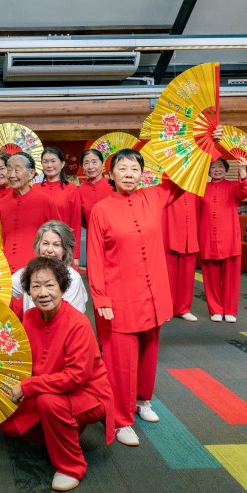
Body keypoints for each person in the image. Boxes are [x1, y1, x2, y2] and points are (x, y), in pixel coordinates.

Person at [86, 147, 179, 447]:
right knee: (120, 361)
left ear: (143, 173)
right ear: (110, 174)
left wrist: (206, 143)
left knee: (149, 352)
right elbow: (96, 259)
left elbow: (181, 178)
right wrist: (101, 299)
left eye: (134, 169)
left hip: (153, 295)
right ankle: (121, 419)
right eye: (122, 168)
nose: (128, 174)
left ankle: (142, 401)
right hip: (119, 297)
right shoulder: (101, 209)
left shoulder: (154, 197)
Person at [1, 256, 116, 492]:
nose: (43, 292)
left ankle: (71, 466)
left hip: (88, 394)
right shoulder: (31, 317)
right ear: (28, 292)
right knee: (10, 426)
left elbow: (75, 377)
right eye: (36, 286)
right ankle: (60, 434)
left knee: (48, 403)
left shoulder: (78, 324)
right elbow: (17, 355)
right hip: (52, 386)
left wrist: (28, 387)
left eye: (50, 285)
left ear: (62, 287)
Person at [198, 157, 247, 321]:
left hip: (229, 237)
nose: (217, 169)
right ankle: (215, 309)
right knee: (210, 275)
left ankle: (229, 310)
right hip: (208, 236)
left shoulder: (233, 186)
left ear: (226, 169)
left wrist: (242, 170)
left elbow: (246, 192)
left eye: (220, 166)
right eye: (213, 167)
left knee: (231, 276)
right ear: (208, 171)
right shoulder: (201, 189)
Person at [9, 221, 88, 316]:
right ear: (39, 246)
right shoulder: (27, 272)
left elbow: (74, 318)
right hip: (30, 328)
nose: (49, 250)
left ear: (65, 250)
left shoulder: (73, 278)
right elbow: (3, 289)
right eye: (45, 243)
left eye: (56, 245)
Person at [0, 152, 56, 271]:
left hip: (37, 267)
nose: (12, 175)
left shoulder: (45, 201)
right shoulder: (0, 205)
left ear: (31, 173)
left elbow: (59, 237)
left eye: (17, 170)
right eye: (9, 170)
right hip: (4, 268)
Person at [164, 181, 202, 323]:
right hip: (169, 231)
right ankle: (167, 308)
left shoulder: (195, 183)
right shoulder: (165, 184)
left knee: (187, 274)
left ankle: (183, 309)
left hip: (189, 232)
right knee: (168, 273)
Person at [36, 146, 82, 261]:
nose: (49, 165)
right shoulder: (34, 189)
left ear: (62, 164)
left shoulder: (71, 189)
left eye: (53, 161)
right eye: (45, 161)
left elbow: (75, 222)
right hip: (39, 245)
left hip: (61, 246)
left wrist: (75, 255)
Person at [77, 148, 110, 268]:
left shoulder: (113, 185)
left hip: (114, 238)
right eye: (86, 163)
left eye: (94, 162)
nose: (90, 166)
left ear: (102, 163)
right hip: (92, 240)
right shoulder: (79, 191)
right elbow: (82, 221)